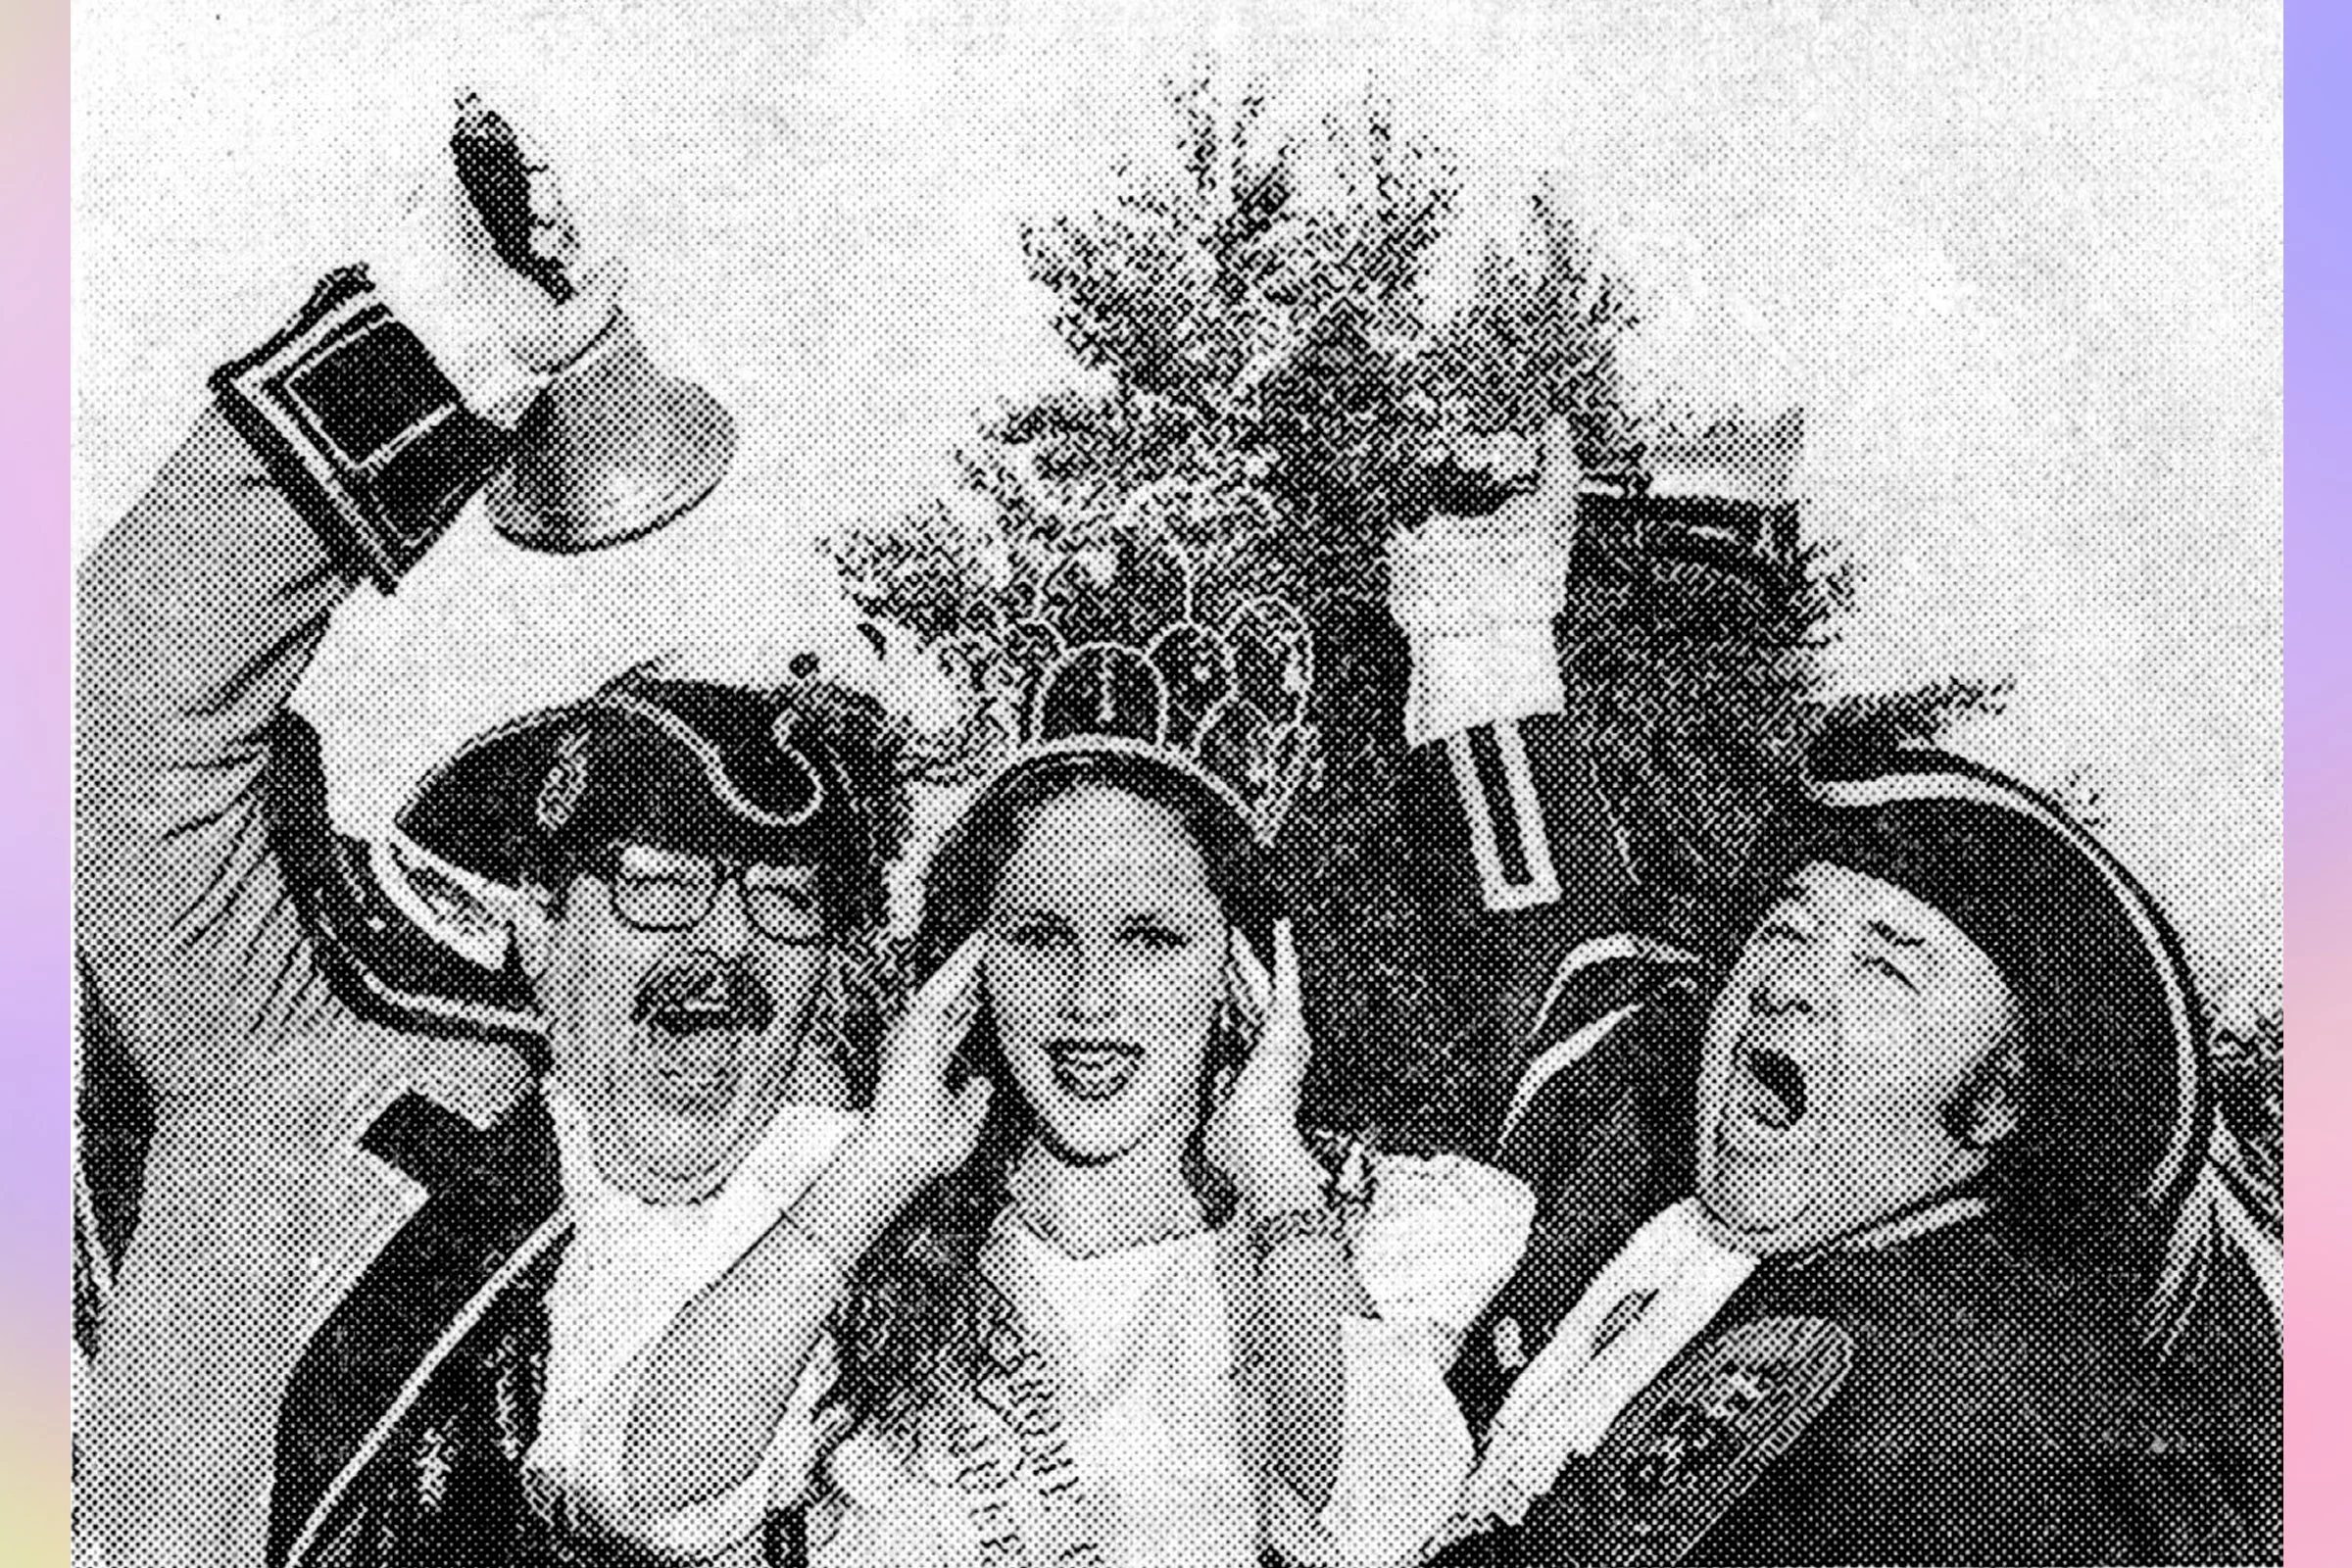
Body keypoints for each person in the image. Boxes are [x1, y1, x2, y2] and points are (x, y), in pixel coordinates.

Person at [74, 108, 912, 1568]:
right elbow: (111, 705)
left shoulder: (903, 1228)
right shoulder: (309, 1072)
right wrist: (462, 333)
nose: (720, 947)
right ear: (532, 921)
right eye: (654, 888)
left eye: (783, 906)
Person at [574, 721, 1536, 1565]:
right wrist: (884, 1166)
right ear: (968, 968)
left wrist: (1276, 1175)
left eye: (1149, 939)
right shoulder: (848, 1211)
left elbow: (1366, 1517)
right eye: (1041, 938)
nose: (1090, 1000)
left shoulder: (1366, 1228)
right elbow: (638, 1490)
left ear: (1244, 972)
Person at [1427, 745, 2280, 1566]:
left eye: (1885, 969)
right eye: (1788, 933)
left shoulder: (1941, 1388)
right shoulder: (1754, 1264)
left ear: (1998, 1105)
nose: (1787, 983)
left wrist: (1290, 1223)